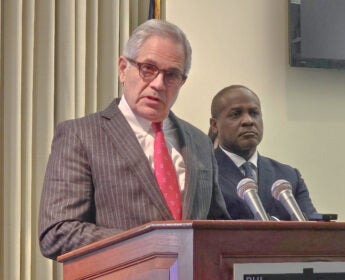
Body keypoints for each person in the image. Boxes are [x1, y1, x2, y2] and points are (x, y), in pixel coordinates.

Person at [39, 19, 229, 260]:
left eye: (171, 75)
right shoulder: (80, 135)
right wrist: (151, 244)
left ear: (182, 82)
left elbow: (219, 226)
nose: (158, 84)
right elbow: (58, 233)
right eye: (148, 68)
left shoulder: (200, 142)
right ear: (122, 69)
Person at [209, 85, 316, 220]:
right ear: (214, 125)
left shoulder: (288, 176)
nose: (248, 121)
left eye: (254, 113)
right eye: (236, 114)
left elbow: (314, 230)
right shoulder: (204, 173)